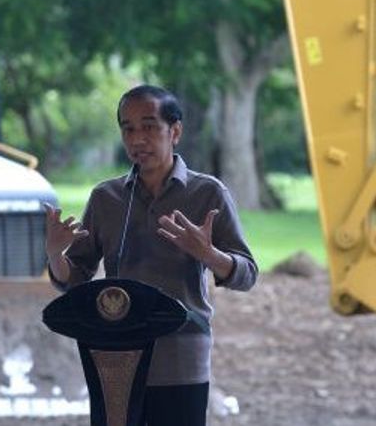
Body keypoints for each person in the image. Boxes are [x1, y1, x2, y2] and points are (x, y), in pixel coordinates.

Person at [44, 84, 257, 426]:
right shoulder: (106, 198)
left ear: (175, 131)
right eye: (128, 129)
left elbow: (247, 274)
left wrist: (210, 254)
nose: (137, 139)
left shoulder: (208, 194)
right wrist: (56, 254)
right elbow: (76, 277)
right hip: (114, 357)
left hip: (180, 357)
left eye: (148, 126)